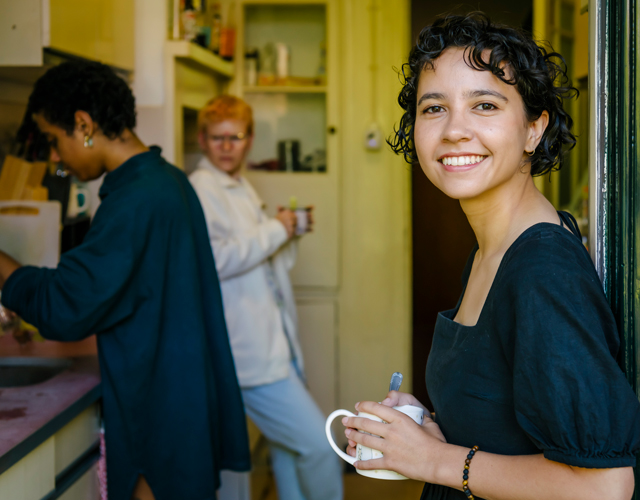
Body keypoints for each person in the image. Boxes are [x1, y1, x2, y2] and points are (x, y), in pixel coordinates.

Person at [340, 13, 640, 500]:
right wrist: (429, 432)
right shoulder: (492, 249)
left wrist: (433, 460)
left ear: (533, 129)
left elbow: (605, 487)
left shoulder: (542, 272)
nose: (455, 130)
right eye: (433, 108)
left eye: (484, 105)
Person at [0, 61, 251, 500]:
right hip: (182, 409)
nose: (55, 157)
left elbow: (65, 306)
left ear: (83, 124)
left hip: (156, 419)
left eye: (54, 141)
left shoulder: (137, 199)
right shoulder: (164, 180)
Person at [188, 95, 343, 500]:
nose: (226, 146)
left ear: (250, 139)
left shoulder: (239, 185)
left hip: (272, 344)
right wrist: (276, 228)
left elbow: (256, 256)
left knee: (287, 451)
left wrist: (284, 230)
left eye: (235, 137)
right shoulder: (202, 190)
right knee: (318, 446)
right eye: (217, 137)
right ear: (202, 140)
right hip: (250, 355)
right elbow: (215, 259)